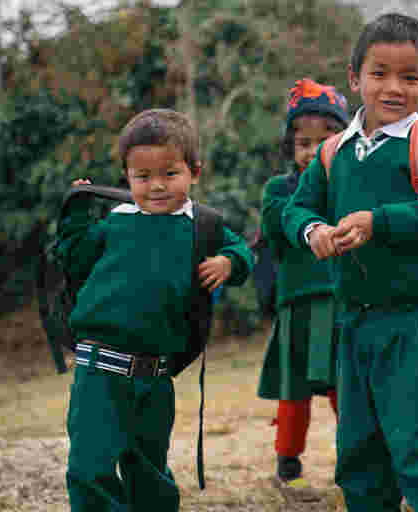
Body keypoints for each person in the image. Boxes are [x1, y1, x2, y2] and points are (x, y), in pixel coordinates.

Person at [281, 12, 418, 512]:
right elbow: (294, 209)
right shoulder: (331, 153)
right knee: (360, 451)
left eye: (410, 77)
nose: (394, 88)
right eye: (379, 73)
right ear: (353, 78)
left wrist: (377, 222)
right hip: (355, 325)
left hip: (416, 324)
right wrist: (313, 230)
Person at [56, 108, 254, 512]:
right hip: (99, 372)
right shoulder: (116, 222)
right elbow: (74, 259)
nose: (157, 186)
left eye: (170, 174)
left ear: (194, 171)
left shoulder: (203, 226)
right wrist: (76, 211)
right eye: (142, 177)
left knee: (148, 468)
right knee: (90, 467)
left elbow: (242, 252)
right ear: (127, 177)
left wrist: (228, 263)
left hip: (156, 377)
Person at [256, 77, 350, 502]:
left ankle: (358, 464)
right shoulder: (279, 190)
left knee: (346, 390)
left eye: (326, 139)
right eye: (303, 142)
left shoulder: (352, 189)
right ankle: (287, 464)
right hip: (297, 304)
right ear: (290, 148)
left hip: (344, 302)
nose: (313, 151)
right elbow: (277, 234)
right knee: (294, 391)